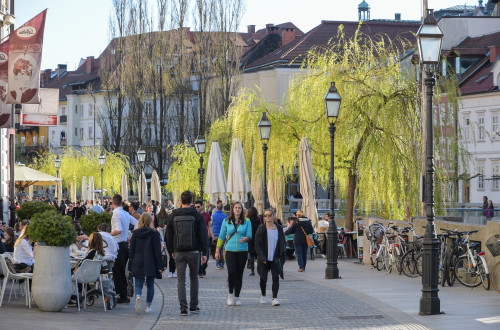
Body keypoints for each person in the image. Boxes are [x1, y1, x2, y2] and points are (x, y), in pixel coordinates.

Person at [165, 190, 207, 316]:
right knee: (194, 278)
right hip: (194, 251)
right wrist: (204, 252)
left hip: (179, 251)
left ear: (181, 201)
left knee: (181, 280)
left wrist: (171, 250)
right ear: (192, 201)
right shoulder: (197, 215)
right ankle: (193, 306)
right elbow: (202, 235)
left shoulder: (173, 215)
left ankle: (183, 308)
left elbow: (168, 236)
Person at [215, 202, 252, 306]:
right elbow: (222, 236)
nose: (237, 210)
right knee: (231, 273)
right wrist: (217, 250)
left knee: (239, 274)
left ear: (242, 210)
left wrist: (246, 238)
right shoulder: (226, 221)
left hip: (242, 251)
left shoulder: (247, 221)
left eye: (239, 208)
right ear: (232, 209)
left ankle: (237, 296)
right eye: (235, 208)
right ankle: (230, 294)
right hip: (230, 250)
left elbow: (250, 235)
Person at [130, 213, 164, 315]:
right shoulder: (154, 233)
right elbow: (157, 251)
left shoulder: (135, 234)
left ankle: (138, 296)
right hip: (151, 261)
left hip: (137, 260)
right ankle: (148, 306)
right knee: (150, 284)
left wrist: (130, 264)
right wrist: (160, 265)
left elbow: (131, 251)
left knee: (138, 283)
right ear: (150, 221)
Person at [255, 209, 286, 306]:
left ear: (273, 216)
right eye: (265, 215)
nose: (267, 217)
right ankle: (263, 295)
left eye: (269, 215)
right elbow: (257, 244)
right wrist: (262, 257)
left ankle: (274, 298)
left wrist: (282, 257)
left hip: (275, 258)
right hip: (264, 258)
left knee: (275, 277)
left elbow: (282, 242)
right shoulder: (261, 228)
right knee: (263, 278)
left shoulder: (279, 228)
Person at [109, 194, 132, 304]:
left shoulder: (116, 214)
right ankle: (123, 294)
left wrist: (106, 235)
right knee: (121, 271)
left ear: (112, 203)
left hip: (118, 245)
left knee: (117, 272)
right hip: (124, 245)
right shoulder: (126, 213)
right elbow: (137, 224)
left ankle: (122, 295)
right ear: (121, 203)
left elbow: (118, 230)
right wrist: (130, 237)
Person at [195, 200, 211, 278]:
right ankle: (199, 271)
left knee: (206, 255)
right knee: (198, 255)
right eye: (195, 207)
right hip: (197, 237)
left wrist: (212, 236)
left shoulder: (207, 215)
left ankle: (203, 267)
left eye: (198, 207)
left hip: (205, 237)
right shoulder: (194, 215)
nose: (197, 208)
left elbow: (209, 226)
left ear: (201, 206)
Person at [246, 206, 262, 276]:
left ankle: (252, 270)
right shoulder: (258, 219)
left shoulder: (247, 220)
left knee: (251, 255)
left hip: (250, 239)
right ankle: (259, 269)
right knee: (258, 255)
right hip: (257, 238)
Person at [211, 200, 226, 269]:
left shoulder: (213, 216)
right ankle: (222, 263)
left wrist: (212, 236)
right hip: (222, 235)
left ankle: (218, 264)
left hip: (215, 234)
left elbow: (211, 225)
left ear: (216, 208)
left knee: (216, 249)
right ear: (222, 208)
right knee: (222, 249)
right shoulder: (225, 216)